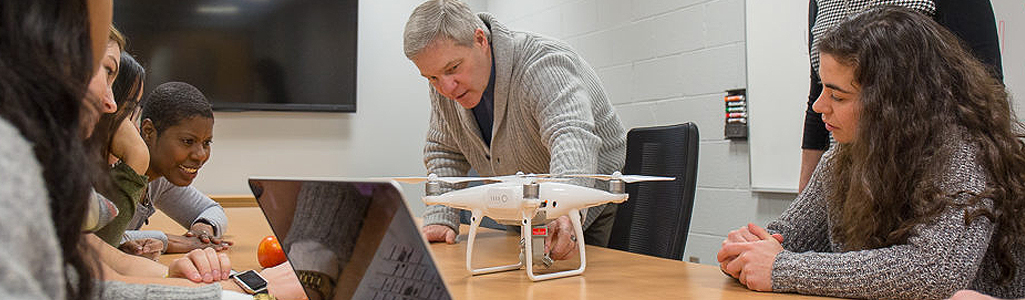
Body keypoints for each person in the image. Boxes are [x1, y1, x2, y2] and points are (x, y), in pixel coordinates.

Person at [717, 6, 1025, 299]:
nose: (818, 106)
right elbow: (785, 236)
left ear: (894, 105)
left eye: (837, 95)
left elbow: (933, 270)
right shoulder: (842, 159)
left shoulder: (966, 155)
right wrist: (747, 248)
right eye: (823, 88)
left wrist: (782, 268)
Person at [403, 0, 627, 261]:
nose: (446, 88)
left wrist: (563, 209)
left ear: (480, 40)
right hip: (525, 209)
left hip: (589, 202)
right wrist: (441, 215)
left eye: (453, 69)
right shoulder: (444, 86)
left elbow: (571, 136)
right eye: (432, 78)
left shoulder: (542, 62)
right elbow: (445, 152)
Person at [798, 0, 1003, 192]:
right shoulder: (822, 2)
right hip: (851, 172)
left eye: (839, 97)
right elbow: (820, 94)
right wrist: (806, 190)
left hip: (926, 173)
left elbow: (986, 96)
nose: (822, 105)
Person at [123, 81, 231, 254]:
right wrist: (169, 241)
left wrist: (202, 229)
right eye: (188, 141)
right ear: (149, 131)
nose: (200, 155)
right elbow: (96, 239)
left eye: (206, 143)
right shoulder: (114, 171)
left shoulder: (160, 180)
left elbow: (212, 210)